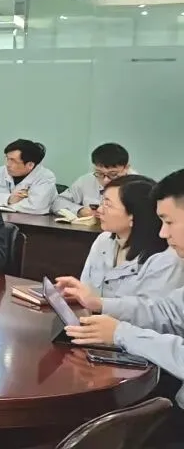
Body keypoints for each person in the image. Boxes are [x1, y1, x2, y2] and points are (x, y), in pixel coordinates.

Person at [58, 169, 184, 436]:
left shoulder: (167, 258)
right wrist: (100, 304)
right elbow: (167, 310)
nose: (163, 233)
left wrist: (121, 333)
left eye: (169, 222)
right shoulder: (105, 241)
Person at [78, 175, 184, 300]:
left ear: (134, 215)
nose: (99, 210)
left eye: (108, 205)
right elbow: (85, 289)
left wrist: (101, 305)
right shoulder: (103, 240)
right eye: (102, 202)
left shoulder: (167, 258)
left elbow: (152, 309)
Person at [0, 139, 58, 214]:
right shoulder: (1, 171)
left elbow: (36, 208)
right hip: (2, 218)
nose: (7, 164)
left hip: (34, 223)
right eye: (7, 158)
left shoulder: (46, 177)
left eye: (13, 161)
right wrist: (8, 199)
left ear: (30, 165)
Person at [53, 143, 134, 217]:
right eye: (100, 173)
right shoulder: (86, 180)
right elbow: (57, 203)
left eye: (113, 174)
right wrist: (80, 210)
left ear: (126, 168)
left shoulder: (137, 186)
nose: (106, 180)